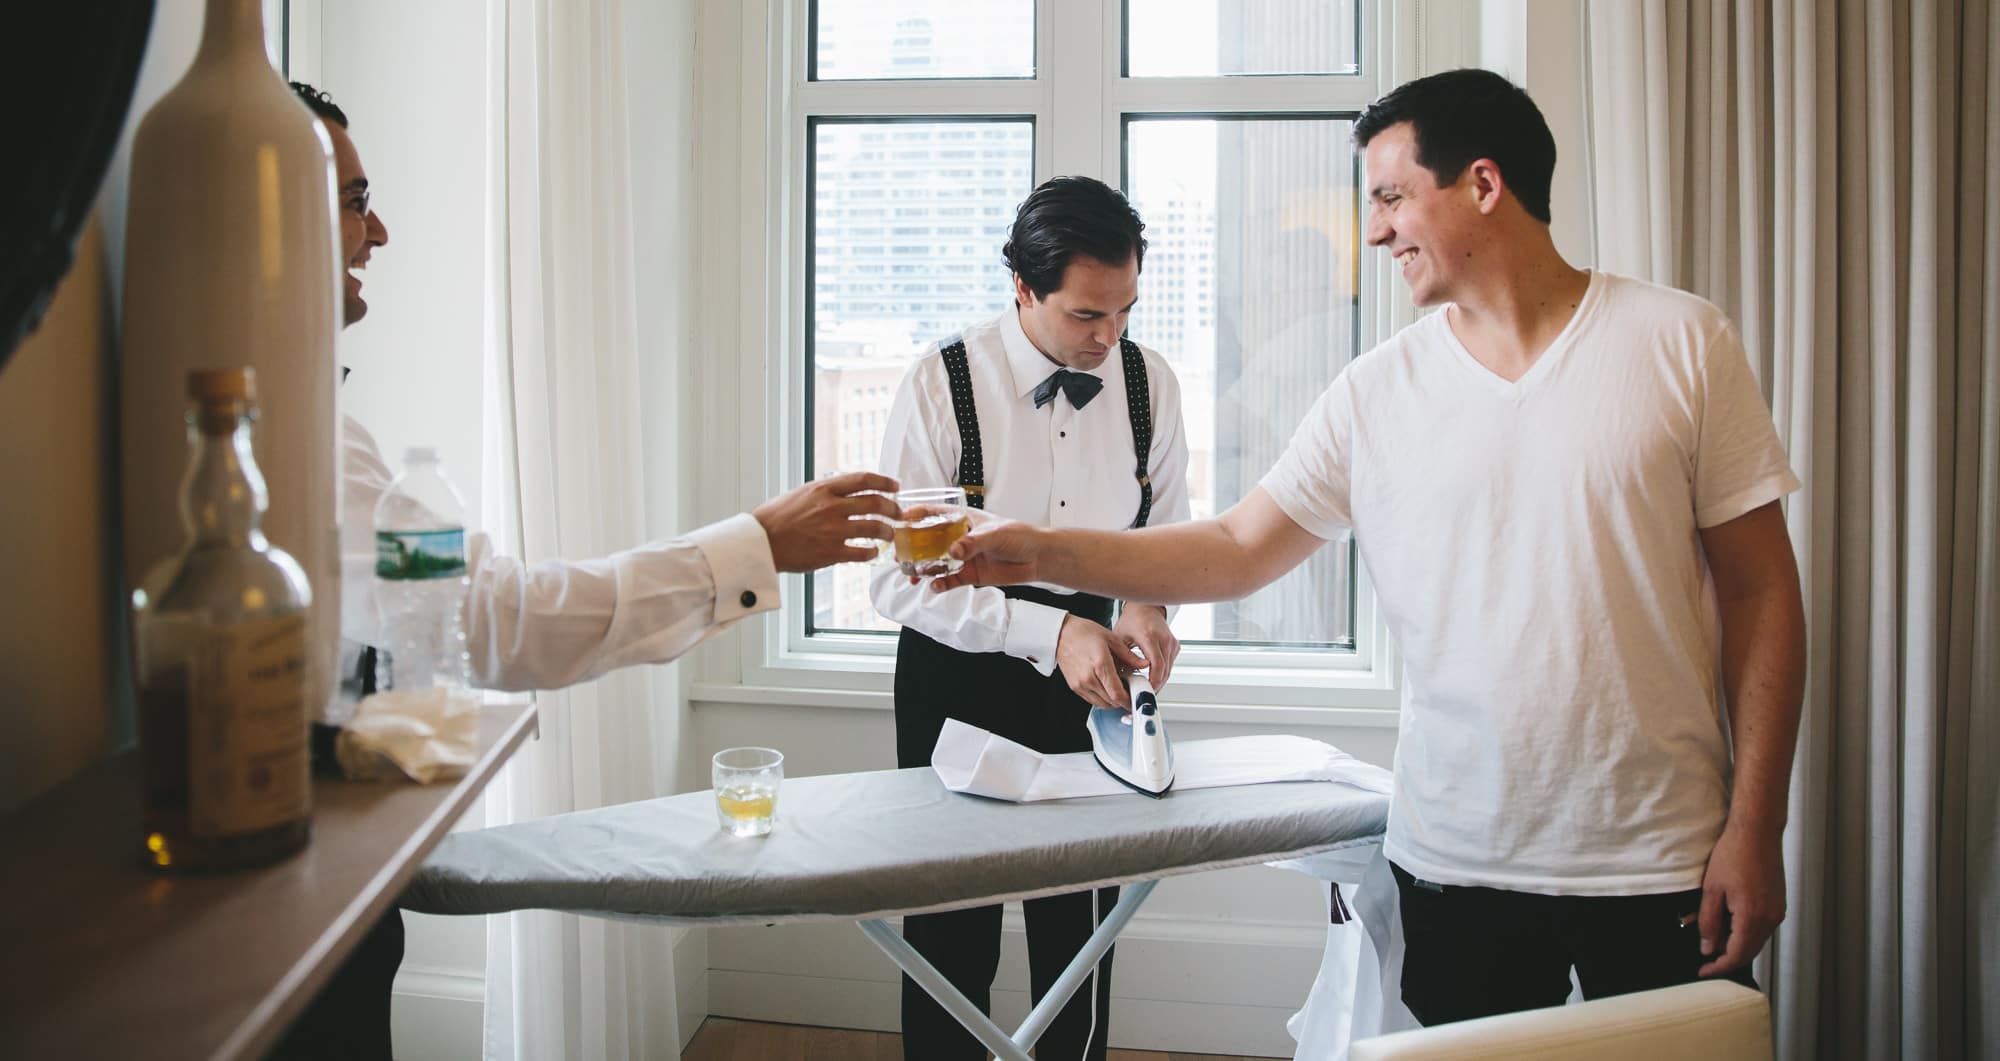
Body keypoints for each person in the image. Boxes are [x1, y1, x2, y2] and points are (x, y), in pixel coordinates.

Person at [935, 69, 1808, 1028]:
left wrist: (1756, 826)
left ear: (1483, 184)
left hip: (1667, 859)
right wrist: (1033, 554)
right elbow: (1234, 548)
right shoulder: (1373, 391)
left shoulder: (1681, 342)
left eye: (1391, 197)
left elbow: (1764, 592)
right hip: (1456, 863)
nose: (1376, 230)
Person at [274, 82, 899, 1058]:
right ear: (266, 218)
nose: (381, 230)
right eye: (354, 201)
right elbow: (492, 618)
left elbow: (451, 610)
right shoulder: (290, 430)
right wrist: (757, 544)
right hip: (293, 906)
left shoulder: (323, 425)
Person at [869, 176, 1190, 1061]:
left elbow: (1164, 540)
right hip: (957, 672)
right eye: (1088, 314)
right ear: (1022, 287)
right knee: (948, 941)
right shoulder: (941, 384)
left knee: (1081, 942)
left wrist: (1145, 609)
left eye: (1125, 308)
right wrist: (1049, 631)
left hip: (1095, 692)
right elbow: (897, 586)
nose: (1111, 333)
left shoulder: (1148, 383)